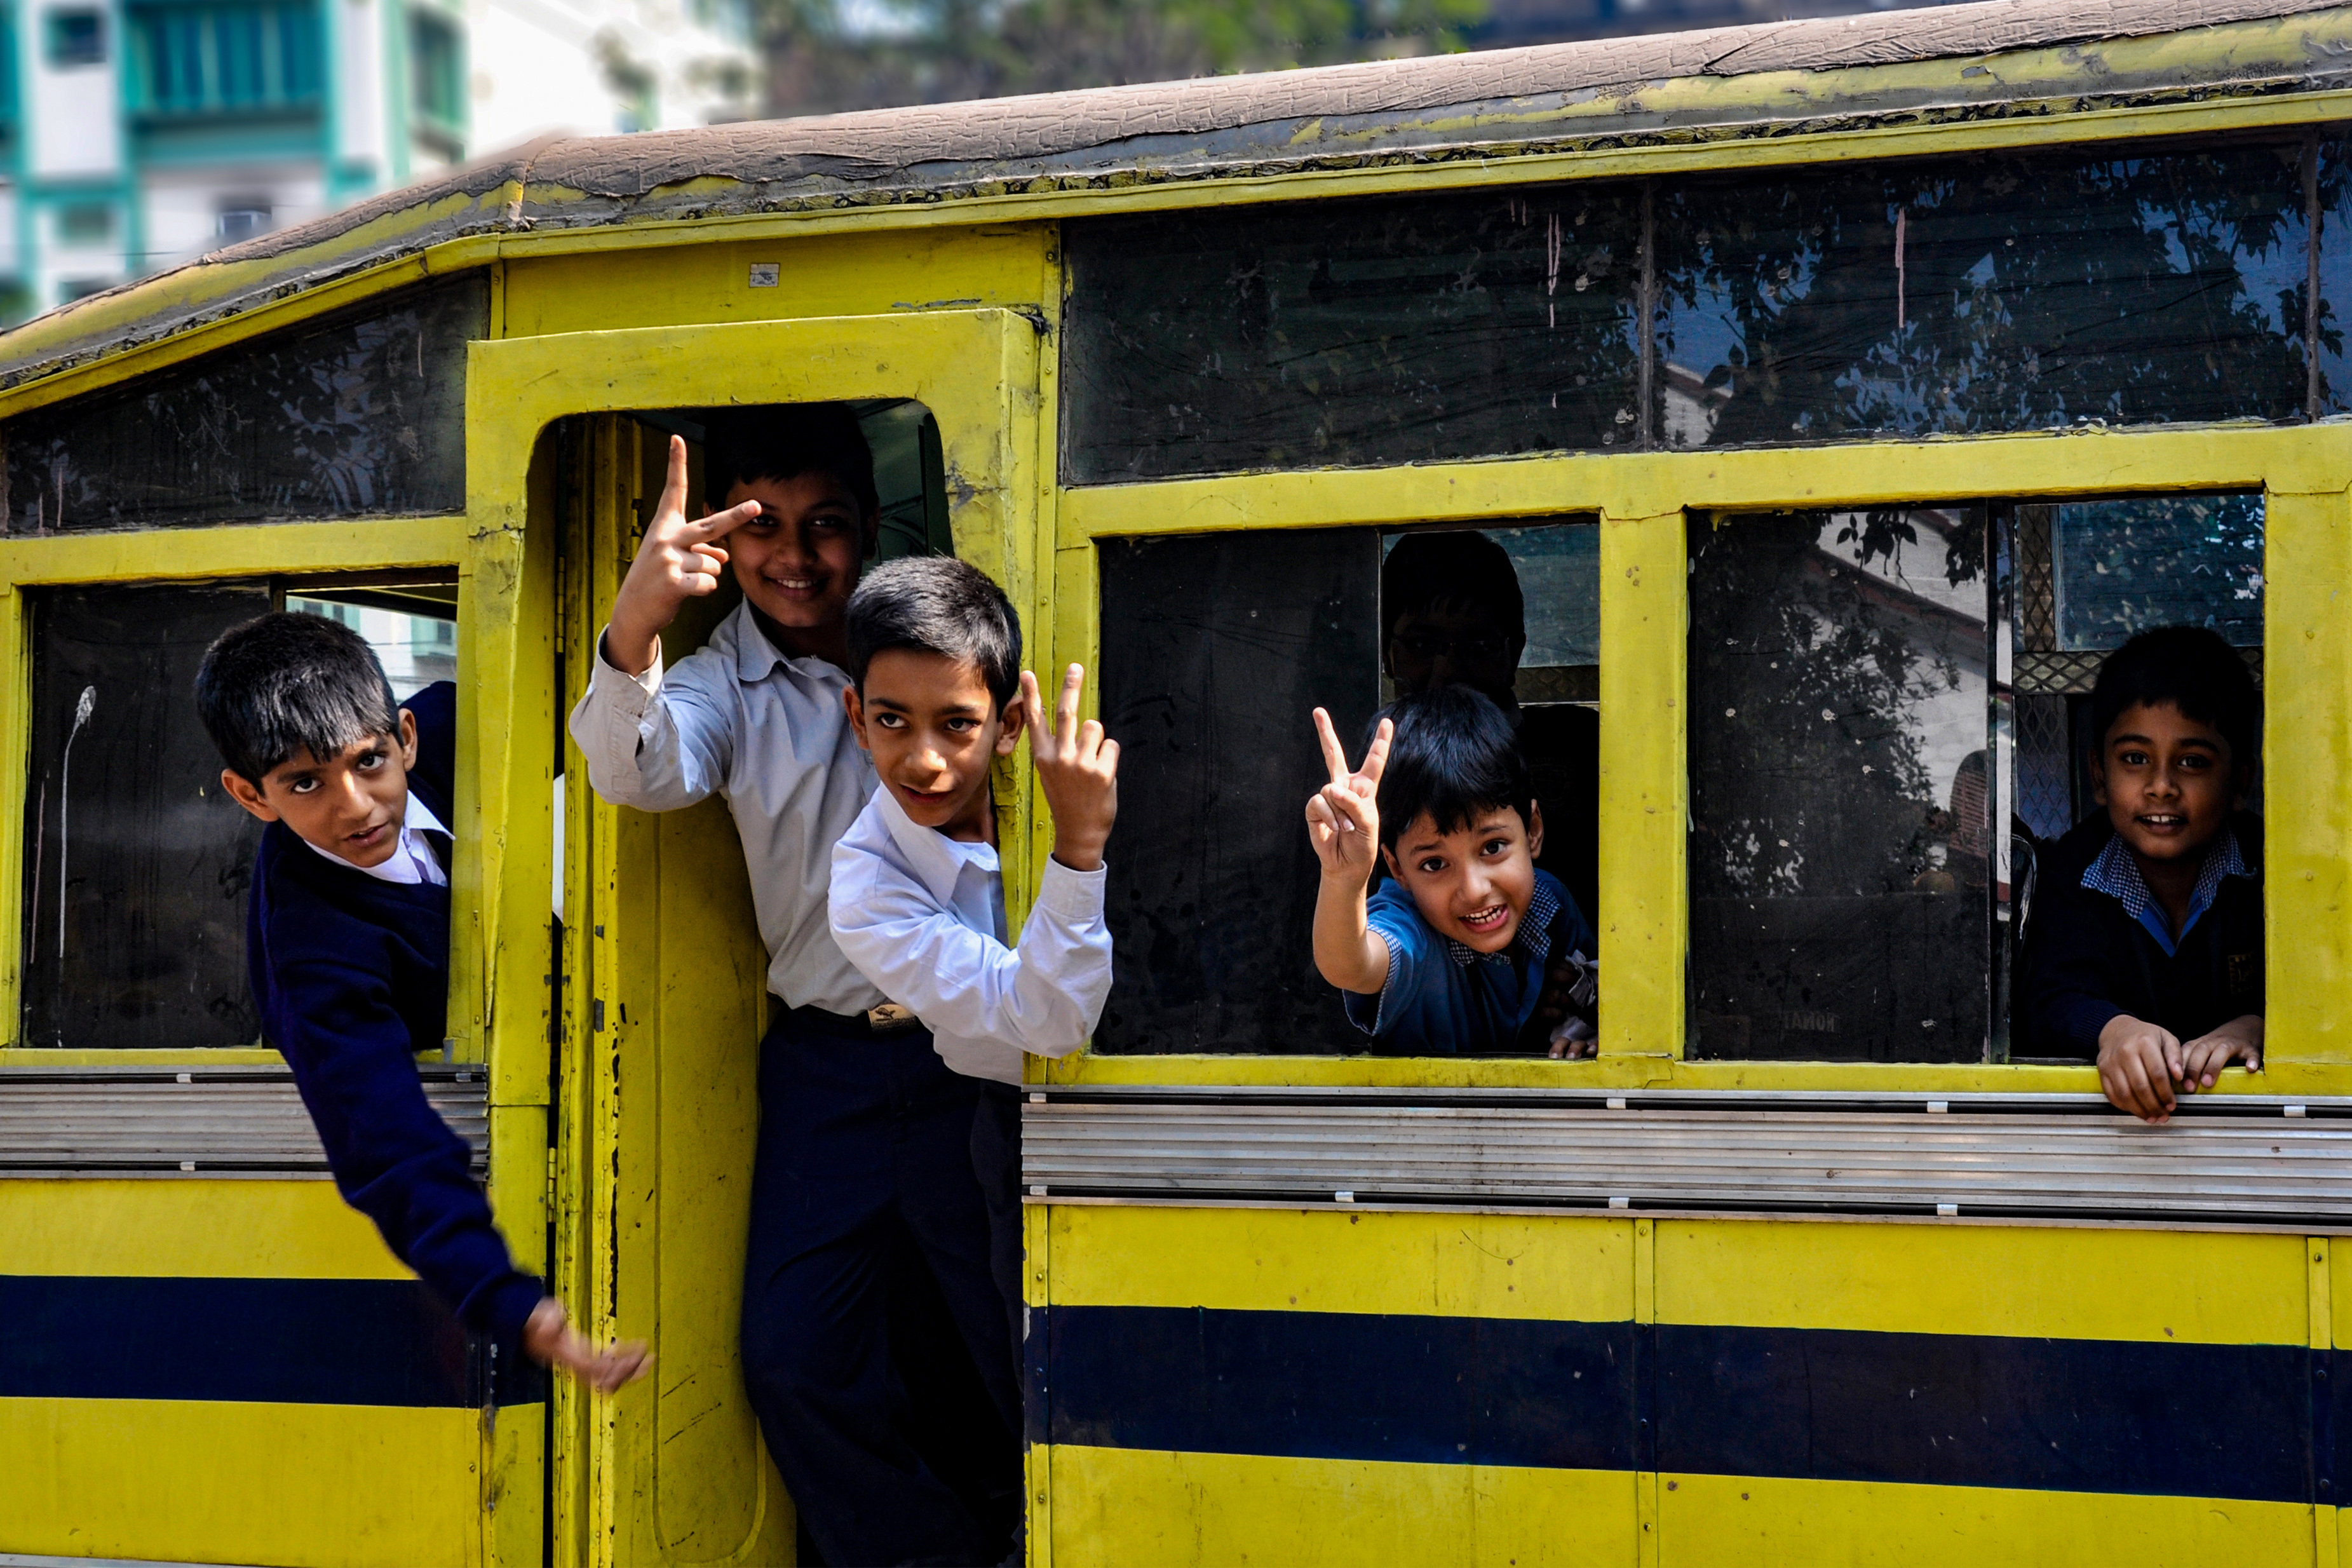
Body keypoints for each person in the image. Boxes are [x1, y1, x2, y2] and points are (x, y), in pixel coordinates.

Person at [566, 407, 1017, 1565]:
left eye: (825, 525)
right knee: (792, 1357)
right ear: (726, 542)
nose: (797, 556)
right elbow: (634, 769)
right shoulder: (725, 679)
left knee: (1003, 1343)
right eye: (763, 527)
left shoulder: (925, 652)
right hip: (828, 1066)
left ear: (869, 531)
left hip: (980, 1052)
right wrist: (639, 614)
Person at [198, 612, 644, 1392]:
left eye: (368, 762)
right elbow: (382, 1132)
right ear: (249, 794)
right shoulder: (310, 949)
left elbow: (608, 690)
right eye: (303, 783)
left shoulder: (470, 718)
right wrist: (511, 1301)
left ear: (405, 735)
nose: (355, 805)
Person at [827, 556, 1119, 1443]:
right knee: (1030, 1363)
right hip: (1008, 1113)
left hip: (1135, 1089)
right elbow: (1049, 1025)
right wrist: (1077, 850)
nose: (922, 758)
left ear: (1009, 724)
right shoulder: (865, 886)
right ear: (854, 718)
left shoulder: (1062, 780)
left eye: (956, 724)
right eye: (891, 721)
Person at [2018, 626, 2263, 1123]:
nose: (2161, 787)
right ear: (2099, 777)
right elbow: (2043, 999)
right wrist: (2112, 1030)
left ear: (2241, 782)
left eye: (2192, 762)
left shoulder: (2274, 874)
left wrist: (2259, 1028)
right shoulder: (2070, 875)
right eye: (2135, 759)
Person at [1381, 530, 1600, 1052]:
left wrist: (1589, 993)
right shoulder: (1363, 771)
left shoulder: (1579, 754)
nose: (1446, 670)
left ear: (1516, 651)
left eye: (1476, 646)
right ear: (1386, 652)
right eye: (1420, 645)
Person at [1304, 684, 1597, 1056]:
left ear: (1533, 830)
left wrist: (1590, 1031)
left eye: (1493, 848)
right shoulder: (1410, 928)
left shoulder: (1549, 903)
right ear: (1397, 868)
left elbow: (1609, 997)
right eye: (1435, 864)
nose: (1474, 890)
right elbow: (1350, 966)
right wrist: (1344, 879)